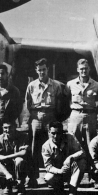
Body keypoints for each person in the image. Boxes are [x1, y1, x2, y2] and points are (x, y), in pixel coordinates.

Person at [25, 58, 62, 187]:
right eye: (39, 70)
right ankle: (32, 178)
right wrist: (35, 116)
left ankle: (53, 177)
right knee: (34, 148)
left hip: (51, 118)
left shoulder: (56, 85)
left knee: (53, 147)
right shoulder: (31, 86)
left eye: (44, 70)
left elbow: (59, 104)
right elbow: (28, 104)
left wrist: (54, 118)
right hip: (36, 118)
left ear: (48, 70)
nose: (42, 72)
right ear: (36, 71)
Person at [65, 59, 98, 155]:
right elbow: (65, 98)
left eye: (86, 68)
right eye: (81, 69)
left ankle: (91, 165)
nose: (84, 71)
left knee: (91, 141)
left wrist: (96, 111)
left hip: (90, 116)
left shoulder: (97, 85)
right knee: (73, 140)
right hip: (75, 115)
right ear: (78, 69)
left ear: (89, 69)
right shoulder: (70, 84)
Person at [42, 121, 86, 195]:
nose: (56, 136)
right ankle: (59, 188)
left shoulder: (70, 137)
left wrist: (71, 157)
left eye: (58, 133)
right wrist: (60, 171)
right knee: (48, 177)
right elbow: (48, 166)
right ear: (49, 132)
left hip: (71, 171)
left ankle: (72, 191)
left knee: (82, 162)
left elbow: (82, 152)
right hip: (57, 173)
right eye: (53, 133)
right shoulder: (46, 146)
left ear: (62, 132)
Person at [0, 121, 30, 195]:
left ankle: (20, 185)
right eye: (5, 128)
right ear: (2, 128)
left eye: (10, 127)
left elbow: (23, 152)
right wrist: (7, 173)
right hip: (6, 164)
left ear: (15, 127)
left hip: (17, 163)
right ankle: (7, 185)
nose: (8, 130)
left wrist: (6, 157)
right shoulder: (0, 138)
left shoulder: (23, 136)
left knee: (19, 160)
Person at [0, 64, 21, 134]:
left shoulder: (14, 91)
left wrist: (9, 120)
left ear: (7, 74)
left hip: (9, 126)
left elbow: (19, 109)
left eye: (2, 74)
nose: (0, 76)